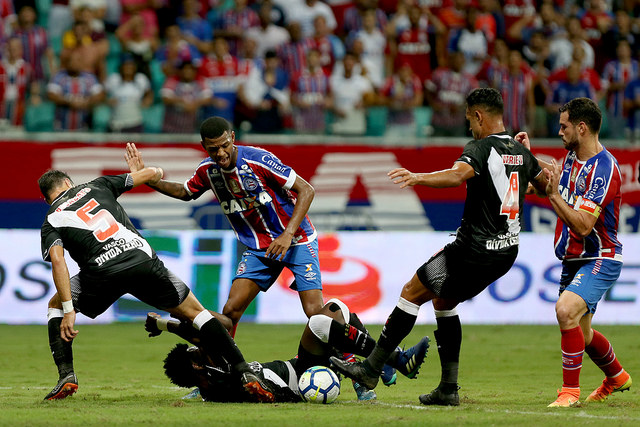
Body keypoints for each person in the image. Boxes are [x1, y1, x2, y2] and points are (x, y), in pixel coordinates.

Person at [330, 88, 547, 406]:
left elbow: (457, 175)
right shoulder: (521, 151)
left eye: (470, 120)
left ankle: (371, 369)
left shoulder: (480, 147)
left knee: (411, 291)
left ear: (478, 115)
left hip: (474, 249)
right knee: (443, 302)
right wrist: (528, 157)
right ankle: (447, 388)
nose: (469, 127)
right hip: (507, 251)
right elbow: (545, 187)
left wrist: (417, 177)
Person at [38, 168, 272, 402]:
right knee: (197, 313)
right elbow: (148, 174)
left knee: (55, 305)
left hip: (101, 273)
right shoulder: (97, 185)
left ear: (47, 198)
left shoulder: (51, 218)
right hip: (140, 260)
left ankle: (66, 375)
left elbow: (59, 262)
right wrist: (154, 170)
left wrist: (69, 311)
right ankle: (244, 370)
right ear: (69, 182)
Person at [124, 117, 324, 334]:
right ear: (204, 147)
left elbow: (307, 190)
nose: (220, 153)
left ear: (233, 138)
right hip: (260, 249)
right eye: (213, 149)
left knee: (314, 311)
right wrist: (147, 178)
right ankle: (227, 364)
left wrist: (288, 234)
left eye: (224, 146)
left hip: (296, 240)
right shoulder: (207, 171)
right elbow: (185, 192)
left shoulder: (259, 160)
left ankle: (349, 352)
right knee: (230, 312)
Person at [515, 97, 632, 407]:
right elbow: (550, 178)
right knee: (583, 331)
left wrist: (553, 196)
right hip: (573, 258)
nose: (559, 131)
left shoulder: (605, 170)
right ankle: (617, 376)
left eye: (564, 126)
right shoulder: (572, 158)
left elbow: (582, 225)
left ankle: (569, 393)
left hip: (600, 257)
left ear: (582, 128)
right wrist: (526, 157)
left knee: (565, 310)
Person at [149, 298, 430, 403]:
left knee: (334, 309)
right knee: (320, 321)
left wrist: (165, 324)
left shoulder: (213, 368)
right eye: (194, 352)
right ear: (196, 366)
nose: (199, 347)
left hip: (298, 364)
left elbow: (213, 327)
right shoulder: (216, 379)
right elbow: (214, 327)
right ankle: (390, 359)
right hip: (301, 379)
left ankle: (376, 365)